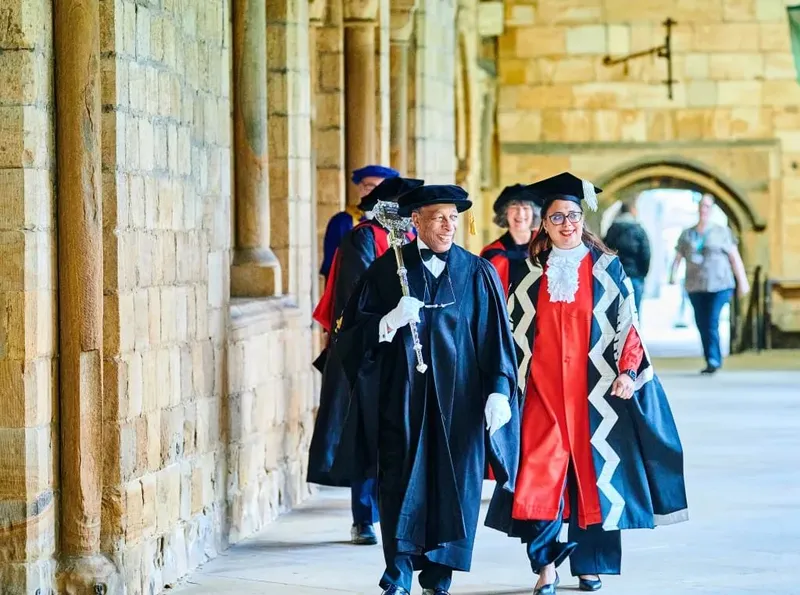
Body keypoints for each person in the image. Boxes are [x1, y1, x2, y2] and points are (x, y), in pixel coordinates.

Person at [486, 172, 688, 594]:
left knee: (593, 479)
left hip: (595, 395)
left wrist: (629, 373)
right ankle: (545, 565)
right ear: (545, 223)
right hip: (540, 394)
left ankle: (589, 565)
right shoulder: (526, 274)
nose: (567, 224)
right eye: (557, 217)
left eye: (573, 216)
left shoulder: (608, 270)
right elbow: (507, 334)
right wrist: (503, 386)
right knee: (538, 477)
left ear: (583, 219)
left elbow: (628, 326)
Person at [320, 184, 521, 595]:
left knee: (453, 488)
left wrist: (499, 391)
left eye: (453, 217)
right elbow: (349, 338)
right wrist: (386, 323)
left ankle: (438, 576)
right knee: (399, 484)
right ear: (416, 221)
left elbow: (496, 343)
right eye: (438, 217)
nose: (449, 226)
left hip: (460, 405)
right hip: (403, 401)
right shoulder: (386, 271)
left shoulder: (476, 273)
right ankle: (398, 575)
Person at [309, 176, 424, 546]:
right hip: (370, 351)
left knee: (399, 433)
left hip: (407, 352)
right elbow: (354, 295)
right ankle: (364, 517)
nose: (407, 214)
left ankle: (399, 511)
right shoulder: (363, 238)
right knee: (365, 432)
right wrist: (386, 322)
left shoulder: (411, 241)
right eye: (402, 206)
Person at [669, 194, 749, 375]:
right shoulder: (688, 234)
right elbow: (678, 257)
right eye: (701, 206)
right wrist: (672, 275)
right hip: (695, 285)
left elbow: (734, 257)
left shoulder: (721, 232)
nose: (703, 209)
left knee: (712, 320)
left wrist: (742, 281)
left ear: (711, 209)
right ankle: (710, 357)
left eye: (707, 206)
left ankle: (714, 359)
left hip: (719, 284)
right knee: (701, 322)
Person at [319, 164, 400, 287]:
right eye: (370, 186)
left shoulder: (401, 223)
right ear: (360, 188)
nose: (376, 192)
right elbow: (331, 266)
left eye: (383, 187)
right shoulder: (342, 222)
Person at [603, 202, 651, 315]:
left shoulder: (612, 230)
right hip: (635, 277)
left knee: (616, 314)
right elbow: (646, 254)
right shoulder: (639, 230)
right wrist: (642, 275)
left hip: (615, 277)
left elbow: (604, 252)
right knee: (635, 313)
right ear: (633, 211)